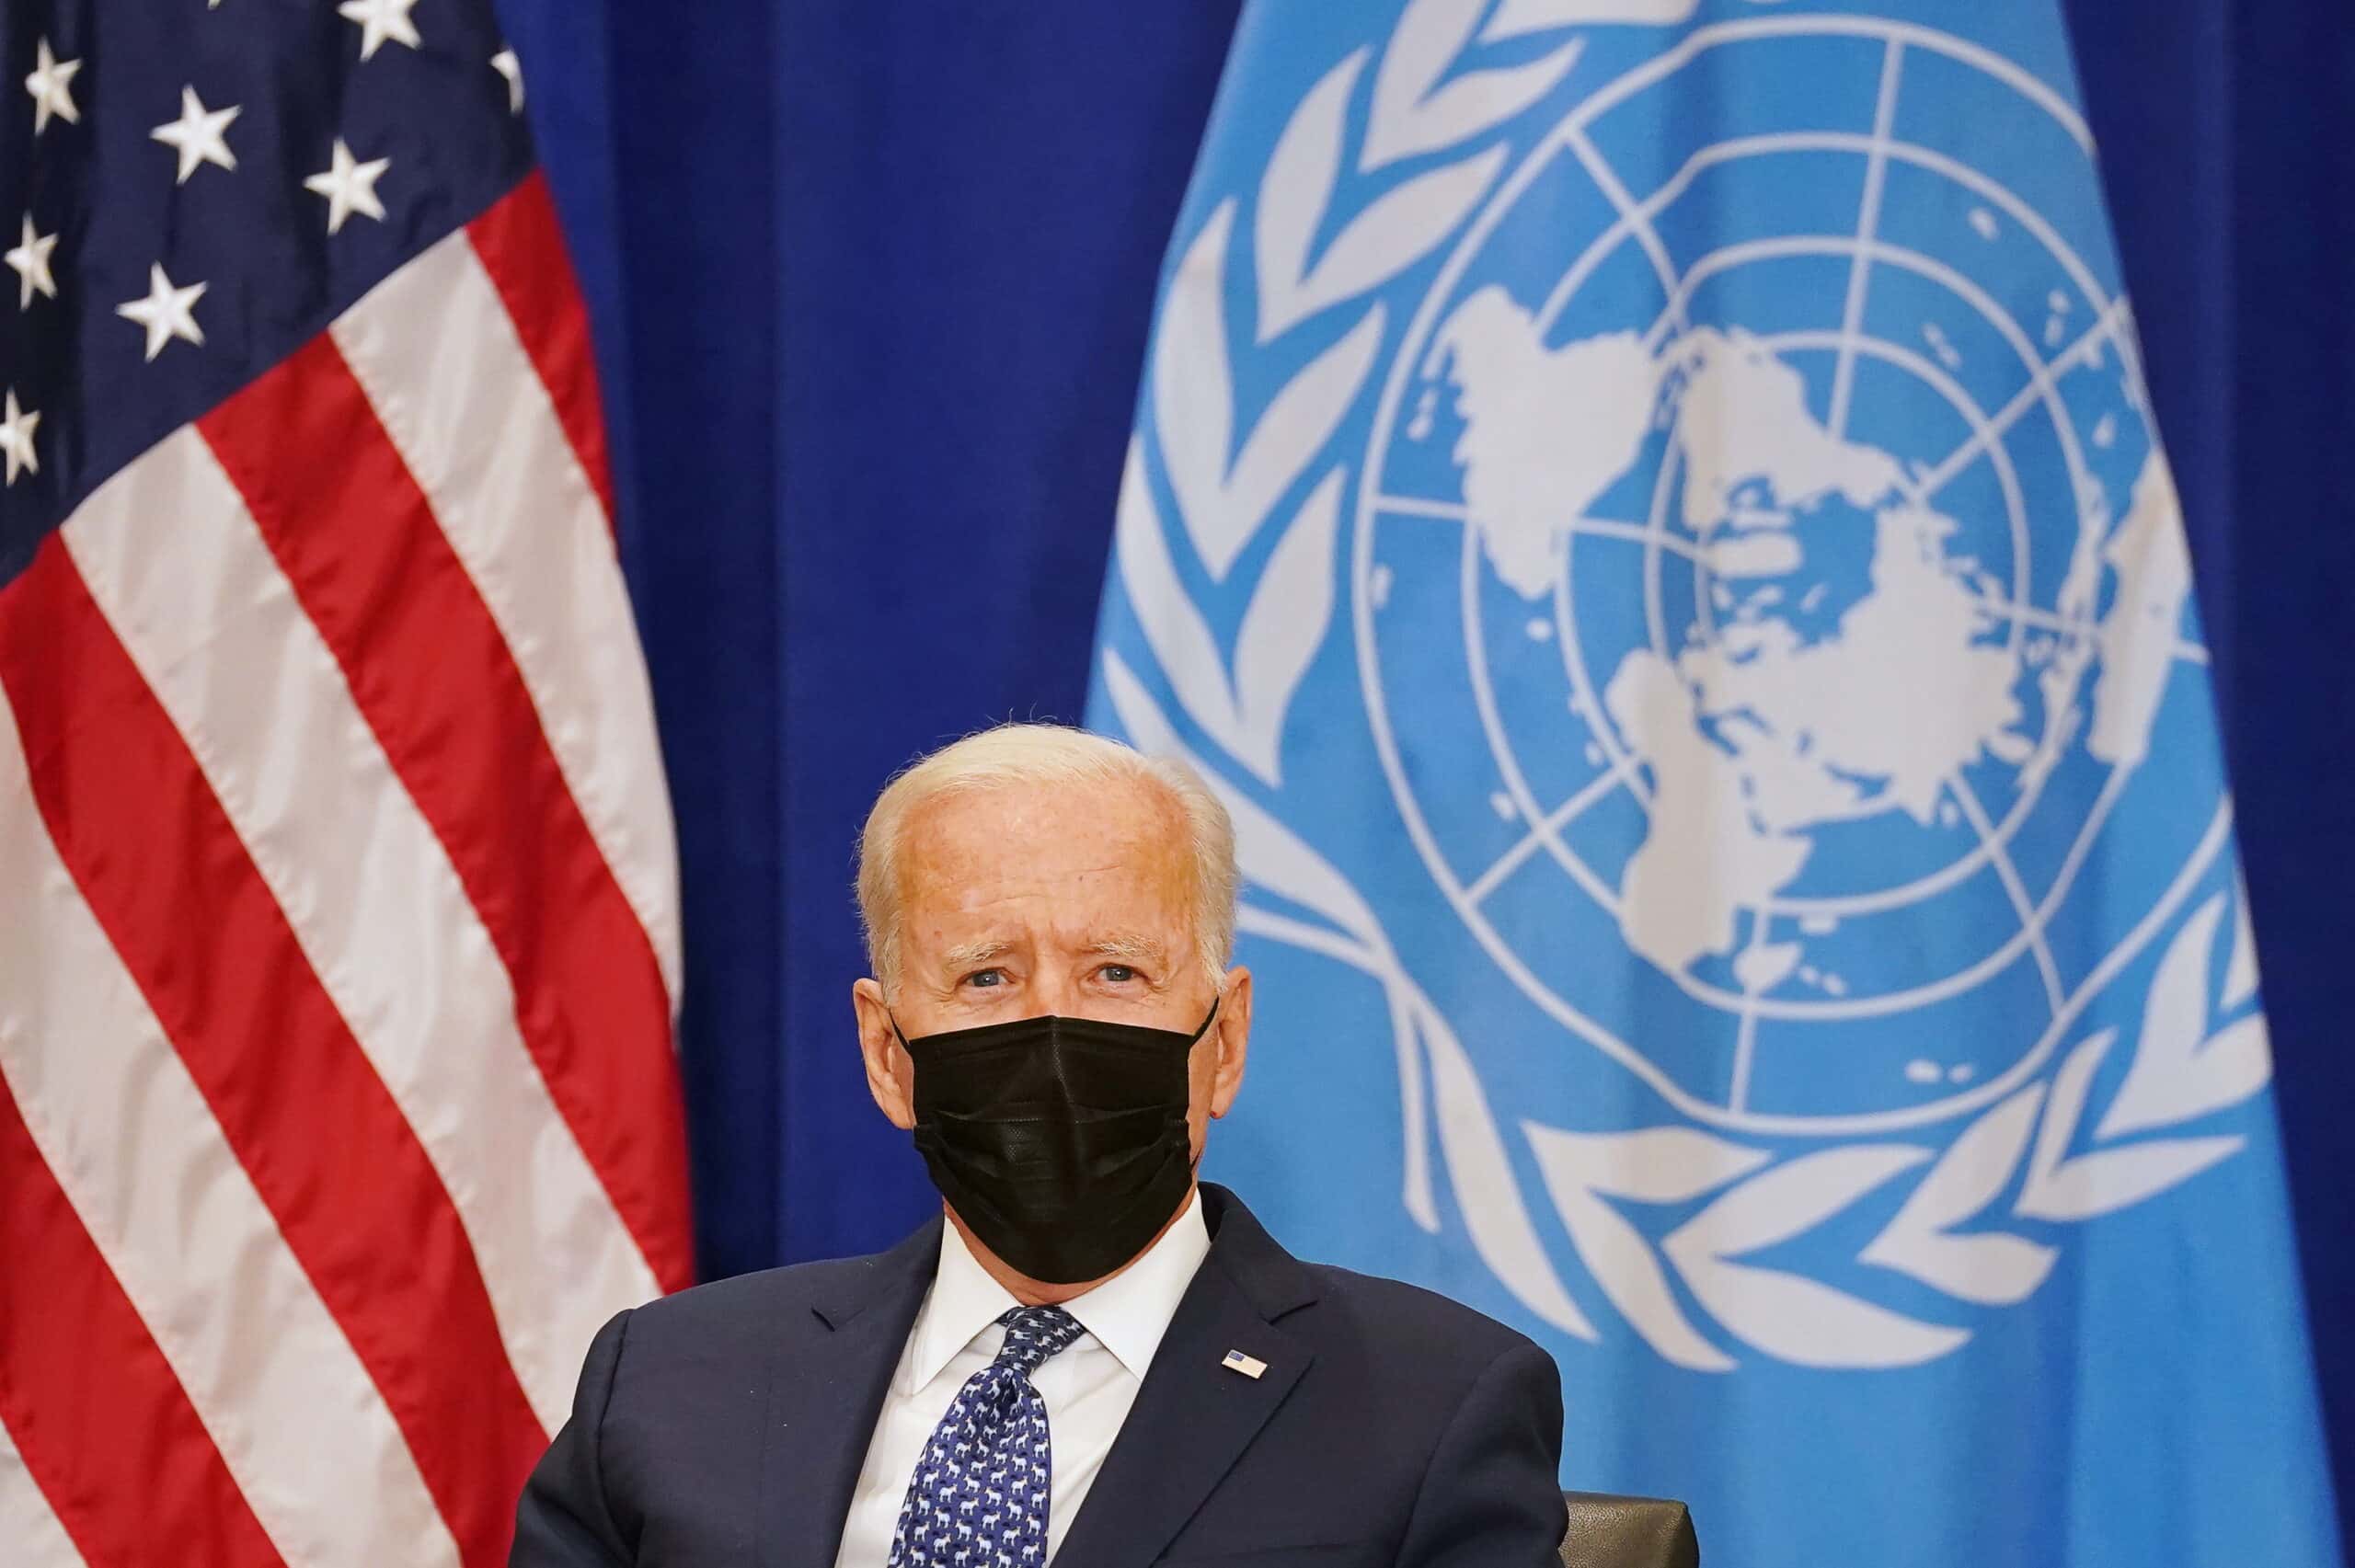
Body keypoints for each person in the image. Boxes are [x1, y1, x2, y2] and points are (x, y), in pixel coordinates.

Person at [511, 724, 1568, 1566]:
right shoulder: (666, 1383)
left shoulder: (1431, 1407)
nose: (1053, 1030)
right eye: (986, 977)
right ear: (887, 1051)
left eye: (1115, 972)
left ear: (1224, 1041)